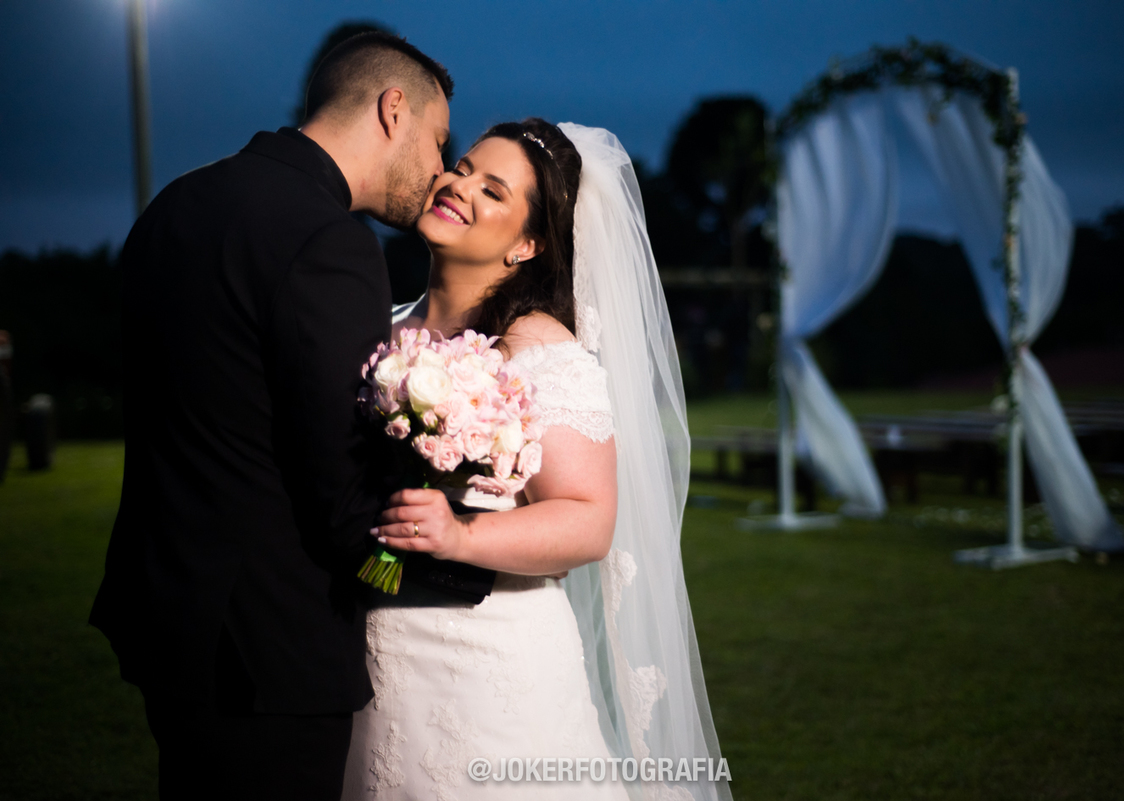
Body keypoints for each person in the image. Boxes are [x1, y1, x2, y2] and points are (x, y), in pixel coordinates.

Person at [88, 32, 452, 800]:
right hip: (268, 650)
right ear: (394, 110)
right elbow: (341, 496)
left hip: (165, 620)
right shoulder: (328, 241)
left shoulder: (177, 203)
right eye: (438, 139)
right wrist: (425, 569)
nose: (439, 171)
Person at [342, 120, 732, 800]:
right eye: (461, 168)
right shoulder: (382, 328)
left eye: (491, 190)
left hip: (487, 669)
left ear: (528, 243)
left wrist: (461, 534)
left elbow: (587, 520)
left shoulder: (541, 352)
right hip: (368, 663)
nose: (458, 186)